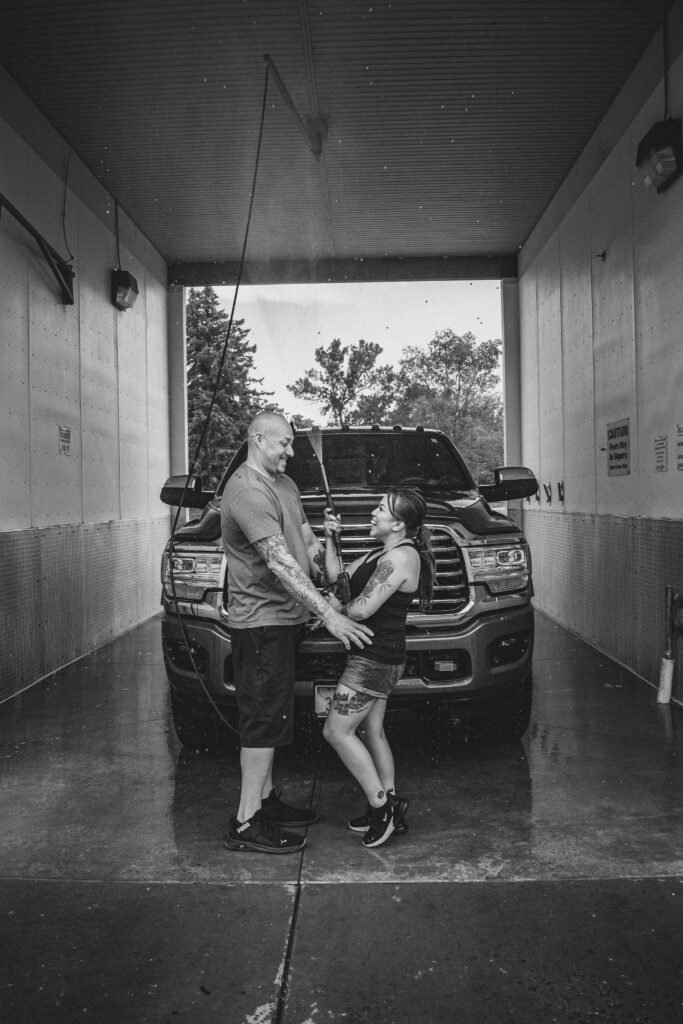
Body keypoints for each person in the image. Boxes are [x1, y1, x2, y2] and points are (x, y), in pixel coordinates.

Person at [220, 412, 373, 855]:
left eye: (292, 444)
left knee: (275, 714)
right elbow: (280, 563)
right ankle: (246, 822)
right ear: (257, 439)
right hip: (261, 623)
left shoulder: (284, 486)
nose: (290, 451)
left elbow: (303, 544)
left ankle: (266, 802)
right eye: (283, 444)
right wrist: (330, 615)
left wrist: (326, 539)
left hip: (287, 621)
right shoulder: (247, 490)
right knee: (263, 720)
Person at [322, 487, 435, 848]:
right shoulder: (380, 552)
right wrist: (330, 539)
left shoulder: (402, 558)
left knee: (336, 732)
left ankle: (380, 806)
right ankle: (391, 802)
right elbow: (336, 579)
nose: (373, 513)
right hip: (377, 658)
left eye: (380, 509)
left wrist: (329, 610)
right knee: (373, 732)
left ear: (399, 524)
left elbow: (359, 609)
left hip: (373, 660)